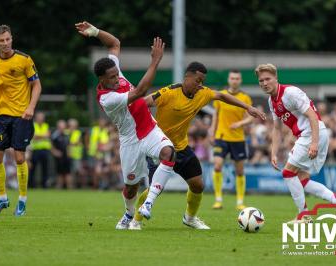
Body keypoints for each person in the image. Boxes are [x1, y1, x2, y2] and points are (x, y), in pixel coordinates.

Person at [129, 62, 266, 230]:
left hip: (181, 147)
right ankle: (136, 220)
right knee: (154, 189)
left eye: (202, 81)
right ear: (187, 77)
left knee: (198, 185)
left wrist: (247, 107)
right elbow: (142, 104)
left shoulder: (203, 93)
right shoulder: (169, 93)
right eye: (197, 80)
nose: (200, 85)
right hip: (159, 148)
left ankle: (190, 218)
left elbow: (222, 96)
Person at [75, 21, 175, 230]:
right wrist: (155, 62)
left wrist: (95, 32)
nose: (116, 79)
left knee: (169, 153)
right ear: (101, 79)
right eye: (111, 78)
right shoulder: (106, 98)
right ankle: (129, 214)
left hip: (149, 129)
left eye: (116, 74)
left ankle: (147, 204)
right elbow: (139, 92)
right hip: (130, 140)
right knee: (131, 187)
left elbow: (114, 44)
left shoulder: (113, 71)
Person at [255, 63, 336, 223]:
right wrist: (273, 152)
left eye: (268, 79)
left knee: (287, 173)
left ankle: (304, 215)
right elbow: (277, 129)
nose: (265, 83)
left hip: (313, 134)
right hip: (308, 136)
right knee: (302, 179)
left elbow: (313, 116)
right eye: (261, 81)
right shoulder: (271, 101)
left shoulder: (290, 93)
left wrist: (314, 143)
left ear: (276, 78)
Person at [0, 25, 41, 216]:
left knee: (19, 158)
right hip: (0, 116)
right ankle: (2, 198)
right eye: (1, 41)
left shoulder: (24, 60)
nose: (5, 43)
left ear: (12, 39)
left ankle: (22, 201)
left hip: (21, 115)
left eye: (8, 39)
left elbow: (36, 85)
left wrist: (31, 108)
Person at [209, 69, 253, 210]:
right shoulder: (221, 96)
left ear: (240, 80)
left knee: (239, 171)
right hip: (221, 136)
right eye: (232, 78)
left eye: (237, 78)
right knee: (217, 165)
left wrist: (240, 124)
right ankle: (218, 199)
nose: (234, 80)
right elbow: (215, 115)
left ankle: (240, 202)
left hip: (238, 138)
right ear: (229, 80)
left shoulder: (245, 98)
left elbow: (251, 117)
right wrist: (212, 130)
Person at [29, 112, 51, 188]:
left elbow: (48, 135)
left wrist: (38, 136)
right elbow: (33, 136)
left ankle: (44, 184)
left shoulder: (46, 126)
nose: (41, 119)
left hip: (45, 150)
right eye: (39, 117)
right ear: (36, 118)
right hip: (35, 150)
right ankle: (31, 184)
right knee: (32, 168)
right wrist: (43, 136)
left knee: (45, 168)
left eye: (42, 117)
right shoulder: (33, 125)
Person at [51, 120, 73, 189]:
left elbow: (69, 145)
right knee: (59, 173)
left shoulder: (67, 134)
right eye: (61, 127)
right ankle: (59, 186)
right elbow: (51, 146)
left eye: (63, 126)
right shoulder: (54, 135)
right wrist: (55, 152)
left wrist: (70, 152)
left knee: (68, 172)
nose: (62, 128)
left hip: (66, 156)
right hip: (59, 157)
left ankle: (69, 187)